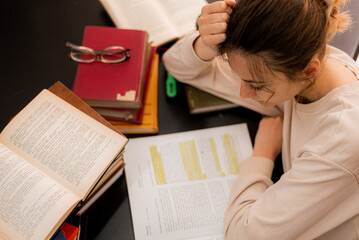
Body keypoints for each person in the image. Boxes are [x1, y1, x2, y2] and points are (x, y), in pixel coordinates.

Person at [163, 0, 359, 239]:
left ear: (309, 70)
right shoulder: (302, 64)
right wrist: (206, 43)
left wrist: (263, 154)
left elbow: (241, 235)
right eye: (240, 78)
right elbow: (176, 65)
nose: (243, 93)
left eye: (255, 86)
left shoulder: (341, 139)